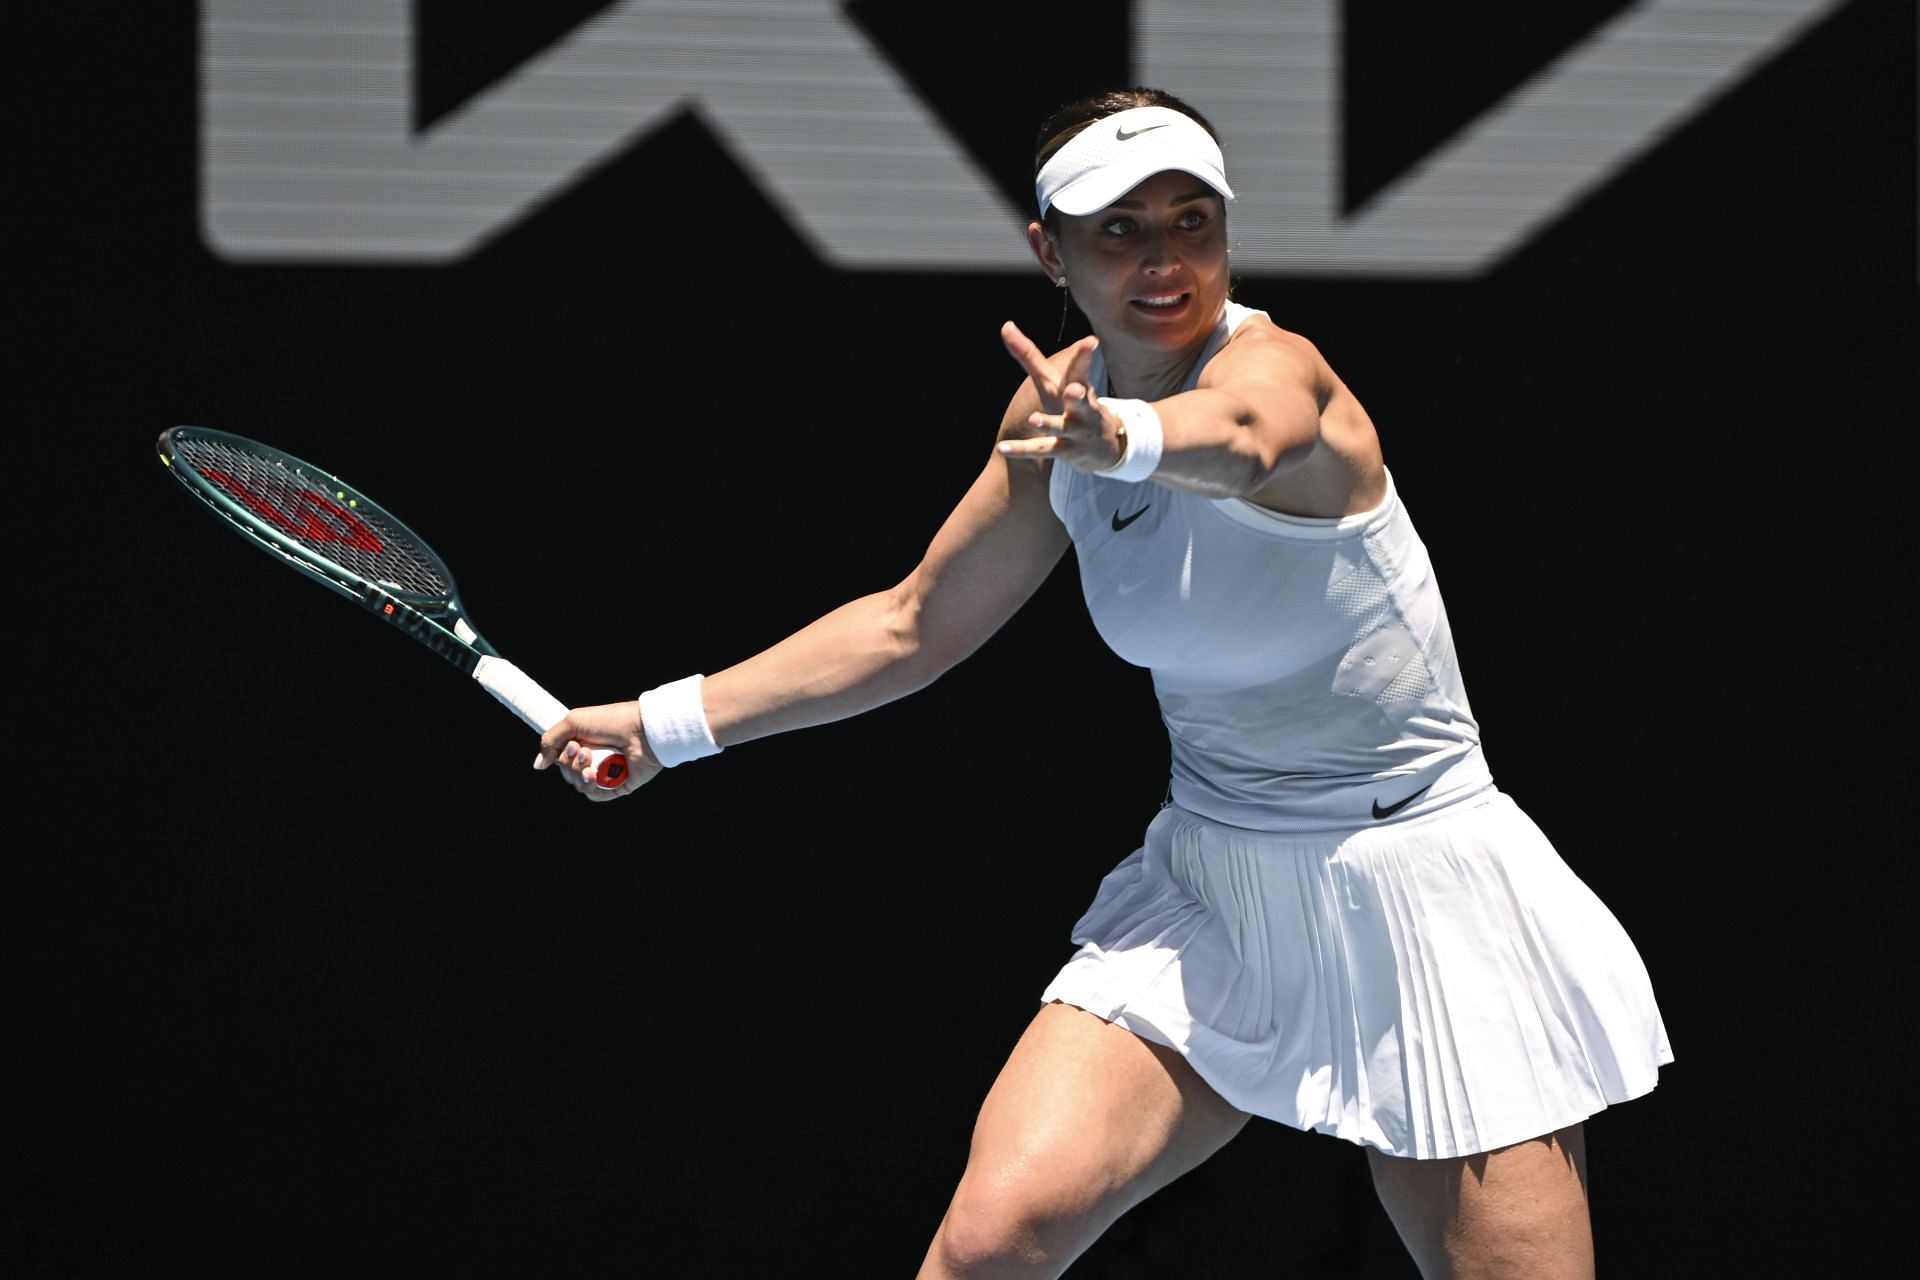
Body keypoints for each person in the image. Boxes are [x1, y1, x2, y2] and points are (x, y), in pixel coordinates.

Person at [534, 87, 1672, 1279]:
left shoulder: (1284, 375)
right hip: (1213, 886)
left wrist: (1124, 437)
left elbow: (1243, 436)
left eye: (1191, 220)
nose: (1164, 259)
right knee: (992, 1239)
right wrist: (667, 725)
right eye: (1119, 230)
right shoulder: (1049, 414)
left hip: (1416, 896)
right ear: (1051, 252)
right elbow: (914, 623)